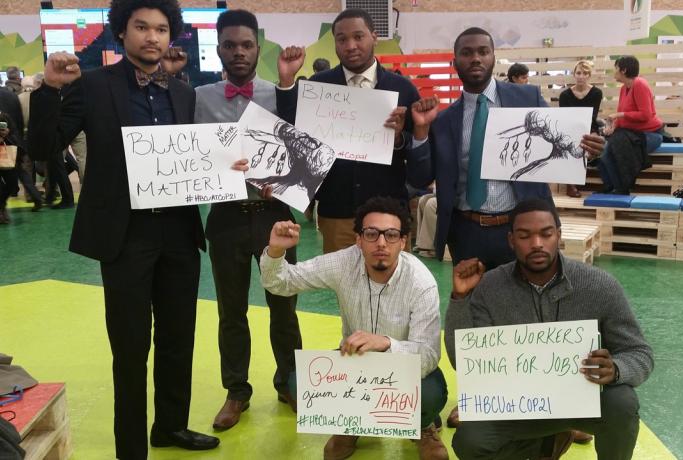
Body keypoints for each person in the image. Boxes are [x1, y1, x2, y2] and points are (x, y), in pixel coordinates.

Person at [27, 1, 244, 457]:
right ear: (121, 33)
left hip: (180, 235)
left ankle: (170, 426)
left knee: (177, 338)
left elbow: (196, 158)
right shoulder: (93, 86)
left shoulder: (183, 93)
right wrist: (49, 88)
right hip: (124, 237)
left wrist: (229, 165)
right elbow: (44, 146)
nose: (152, 36)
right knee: (129, 350)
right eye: (141, 27)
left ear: (172, 37)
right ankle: (131, 447)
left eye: (161, 29)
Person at [445, 198, 654, 460]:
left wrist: (616, 369)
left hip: (579, 403)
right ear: (511, 240)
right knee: (469, 441)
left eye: (546, 234)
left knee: (622, 402)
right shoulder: (490, 287)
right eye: (524, 236)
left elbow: (640, 353)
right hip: (517, 406)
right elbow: (462, 363)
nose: (536, 244)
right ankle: (545, 444)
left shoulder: (599, 285)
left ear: (559, 235)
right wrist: (460, 299)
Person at [261, 196, 449, 460]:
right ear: (359, 239)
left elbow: (428, 355)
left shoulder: (421, 282)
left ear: (403, 242)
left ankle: (420, 425)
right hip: (355, 367)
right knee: (298, 384)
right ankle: (350, 422)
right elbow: (280, 283)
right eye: (371, 234)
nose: (381, 243)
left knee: (432, 392)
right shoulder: (343, 263)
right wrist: (276, 251)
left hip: (403, 369)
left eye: (391, 235)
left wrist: (385, 343)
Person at [191, 8, 304, 430]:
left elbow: (304, 151)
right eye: (229, 45)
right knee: (231, 311)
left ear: (258, 47)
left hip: (275, 213)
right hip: (225, 217)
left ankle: (289, 382)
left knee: (284, 308)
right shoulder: (199, 97)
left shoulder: (282, 94)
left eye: (246, 45)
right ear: (217, 49)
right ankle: (237, 391)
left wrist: (287, 179)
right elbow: (189, 154)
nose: (238, 52)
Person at [408, 27, 604, 269]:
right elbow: (420, 178)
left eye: (483, 51)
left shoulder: (526, 98)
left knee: (527, 303)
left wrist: (586, 148)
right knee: (474, 303)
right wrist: (420, 132)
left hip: (522, 227)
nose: (476, 58)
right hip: (466, 232)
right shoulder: (443, 120)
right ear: (455, 61)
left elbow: (559, 138)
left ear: (493, 57)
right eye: (467, 53)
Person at [278, 8, 431, 254]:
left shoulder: (403, 89)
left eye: (358, 37)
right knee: (345, 289)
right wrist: (287, 81)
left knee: (394, 289)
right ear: (335, 43)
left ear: (374, 36)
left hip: (389, 213)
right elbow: (291, 136)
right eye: (342, 39)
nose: (350, 45)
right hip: (336, 212)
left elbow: (420, 168)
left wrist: (400, 138)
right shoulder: (317, 87)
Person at [598, 55, 664, 194]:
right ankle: (611, 186)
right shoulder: (623, 89)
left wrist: (619, 115)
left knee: (614, 150)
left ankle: (621, 189)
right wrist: (612, 127)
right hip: (630, 132)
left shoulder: (640, 84)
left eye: (616, 69)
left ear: (624, 70)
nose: (614, 72)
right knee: (605, 150)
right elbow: (623, 117)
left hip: (650, 134)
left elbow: (645, 115)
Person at [559, 60, 603, 198]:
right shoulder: (565, 95)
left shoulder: (596, 93)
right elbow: (564, 118)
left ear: (589, 75)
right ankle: (570, 184)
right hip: (570, 128)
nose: (581, 76)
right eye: (578, 73)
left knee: (592, 142)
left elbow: (592, 116)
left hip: (589, 127)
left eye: (585, 73)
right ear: (574, 74)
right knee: (568, 143)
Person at [0, 113, 20, 224]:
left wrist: (6, 135)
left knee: (12, 183)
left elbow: (16, 137)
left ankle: (1, 204)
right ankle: (1, 209)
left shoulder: (6, 117)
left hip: (7, 157)